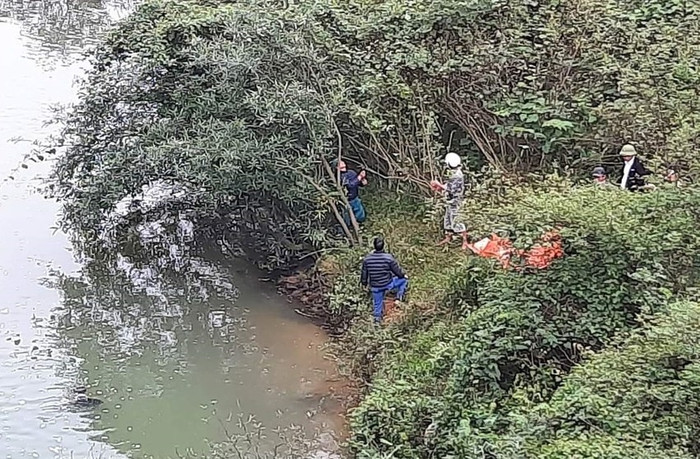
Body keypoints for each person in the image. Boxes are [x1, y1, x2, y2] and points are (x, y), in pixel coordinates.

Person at [360, 237, 408, 323]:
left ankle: (377, 323)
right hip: (387, 284)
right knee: (403, 280)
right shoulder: (388, 258)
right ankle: (398, 298)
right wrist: (403, 275)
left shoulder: (367, 259)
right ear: (383, 246)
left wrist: (364, 284)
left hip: (375, 286)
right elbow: (397, 271)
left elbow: (364, 274)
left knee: (377, 304)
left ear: (374, 246)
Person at [430, 153, 468, 250]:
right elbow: (448, 186)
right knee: (448, 219)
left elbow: (452, 189)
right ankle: (448, 237)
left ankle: (465, 241)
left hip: (456, 201)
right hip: (450, 200)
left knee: (457, 219)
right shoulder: (453, 173)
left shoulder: (457, 175)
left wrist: (438, 184)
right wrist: (439, 187)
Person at [338, 160, 367, 225]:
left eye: (342, 161)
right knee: (347, 216)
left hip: (355, 198)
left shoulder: (351, 172)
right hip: (346, 200)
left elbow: (357, 182)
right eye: (340, 163)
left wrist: (362, 182)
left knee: (360, 214)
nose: (342, 163)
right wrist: (360, 177)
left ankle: (360, 225)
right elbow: (350, 185)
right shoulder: (339, 176)